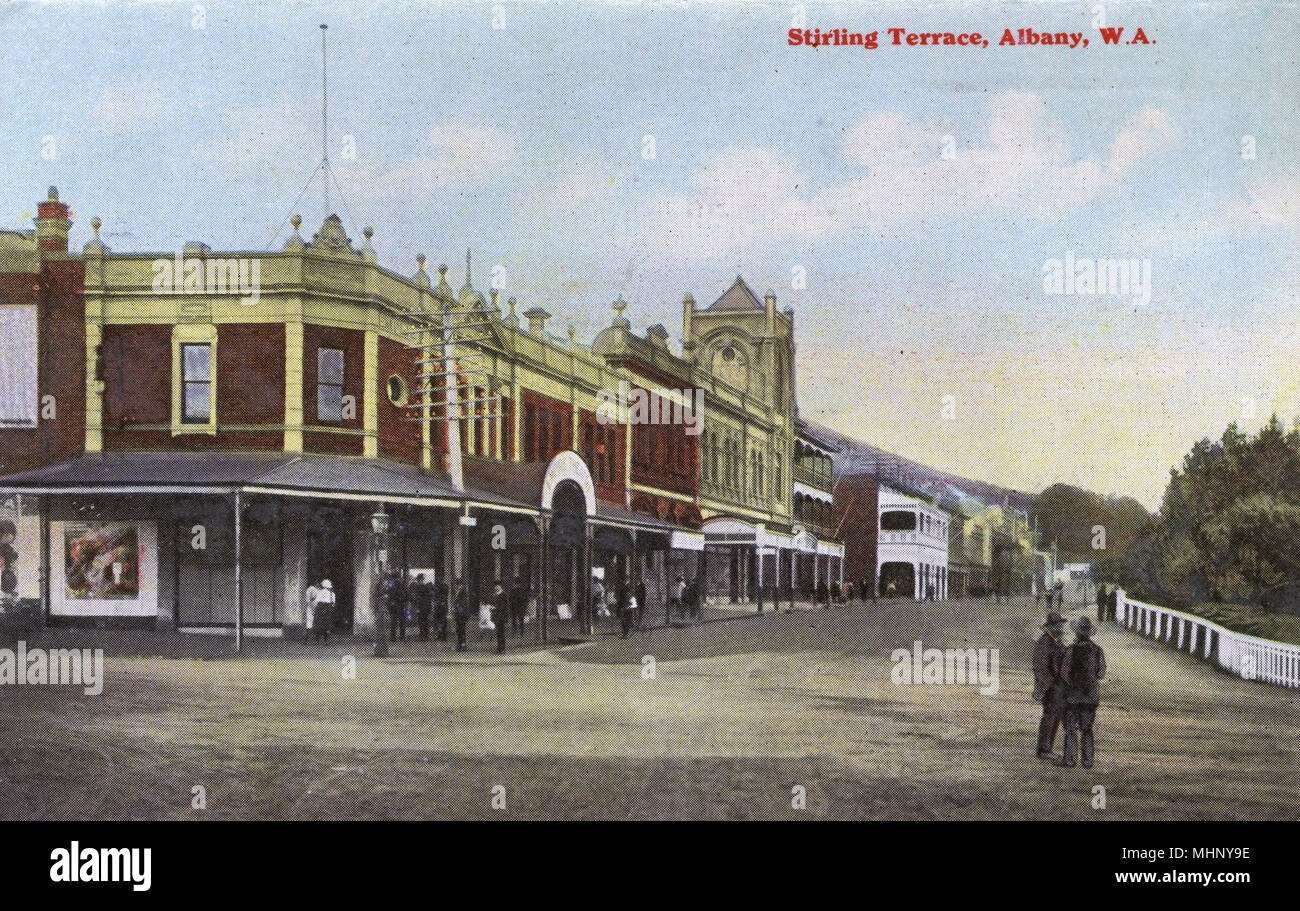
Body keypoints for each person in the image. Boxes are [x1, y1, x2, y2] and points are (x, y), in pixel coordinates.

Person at [1059, 616, 1107, 769]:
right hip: (1091, 697)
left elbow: (1064, 673)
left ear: (1077, 634)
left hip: (1073, 696)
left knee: (1071, 729)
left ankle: (1070, 759)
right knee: (1087, 729)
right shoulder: (1098, 651)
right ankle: (1087, 760)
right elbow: (1101, 673)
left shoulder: (1071, 650)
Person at [1033, 611, 1067, 760]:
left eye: (1061, 625)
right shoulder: (1045, 643)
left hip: (1057, 687)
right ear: (1051, 627)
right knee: (1050, 717)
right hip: (1050, 687)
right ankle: (1044, 749)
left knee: (1055, 717)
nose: (1061, 628)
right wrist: (1045, 685)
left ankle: (1048, 748)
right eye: (1058, 626)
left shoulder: (1056, 641)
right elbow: (1040, 668)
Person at [386, 571, 407, 642]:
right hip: (400, 604)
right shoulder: (402, 584)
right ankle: (402, 637)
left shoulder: (391, 584)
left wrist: (389, 605)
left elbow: (388, 595)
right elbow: (406, 593)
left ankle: (393, 637)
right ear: (399, 577)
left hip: (393, 605)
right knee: (401, 621)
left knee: (393, 622)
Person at [412, 574, 433, 641]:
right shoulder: (425, 587)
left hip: (421, 607)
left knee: (421, 621)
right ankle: (426, 635)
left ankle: (422, 635)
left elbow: (417, 598)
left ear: (419, 579)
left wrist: (415, 601)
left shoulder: (419, 587)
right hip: (425, 607)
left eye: (419, 580)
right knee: (425, 621)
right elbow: (429, 597)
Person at [452, 579, 469, 651]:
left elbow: (463, 603)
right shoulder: (458, 592)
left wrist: (457, 608)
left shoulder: (463, 592)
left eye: (458, 585)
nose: (457, 586)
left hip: (461, 614)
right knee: (459, 630)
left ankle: (463, 645)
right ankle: (460, 645)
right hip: (458, 614)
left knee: (462, 631)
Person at [492, 581, 508, 653]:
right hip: (496, 616)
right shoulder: (495, 594)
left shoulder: (503, 595)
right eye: (495, 586)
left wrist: (495, 608)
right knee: (498, 633)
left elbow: (505, 606)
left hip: (501, 616)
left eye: (497, 586)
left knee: (501, 632)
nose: (496, 587)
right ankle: (499, 648)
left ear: (500, 586)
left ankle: (502, 648)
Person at [434, 576, 450, 641]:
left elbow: (440, 596)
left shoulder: (441, 587)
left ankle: (442, 635)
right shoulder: (445, 587)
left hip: (440, 607)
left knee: (441, 622)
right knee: (441, 622)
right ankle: (442, 635)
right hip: (442, 607)